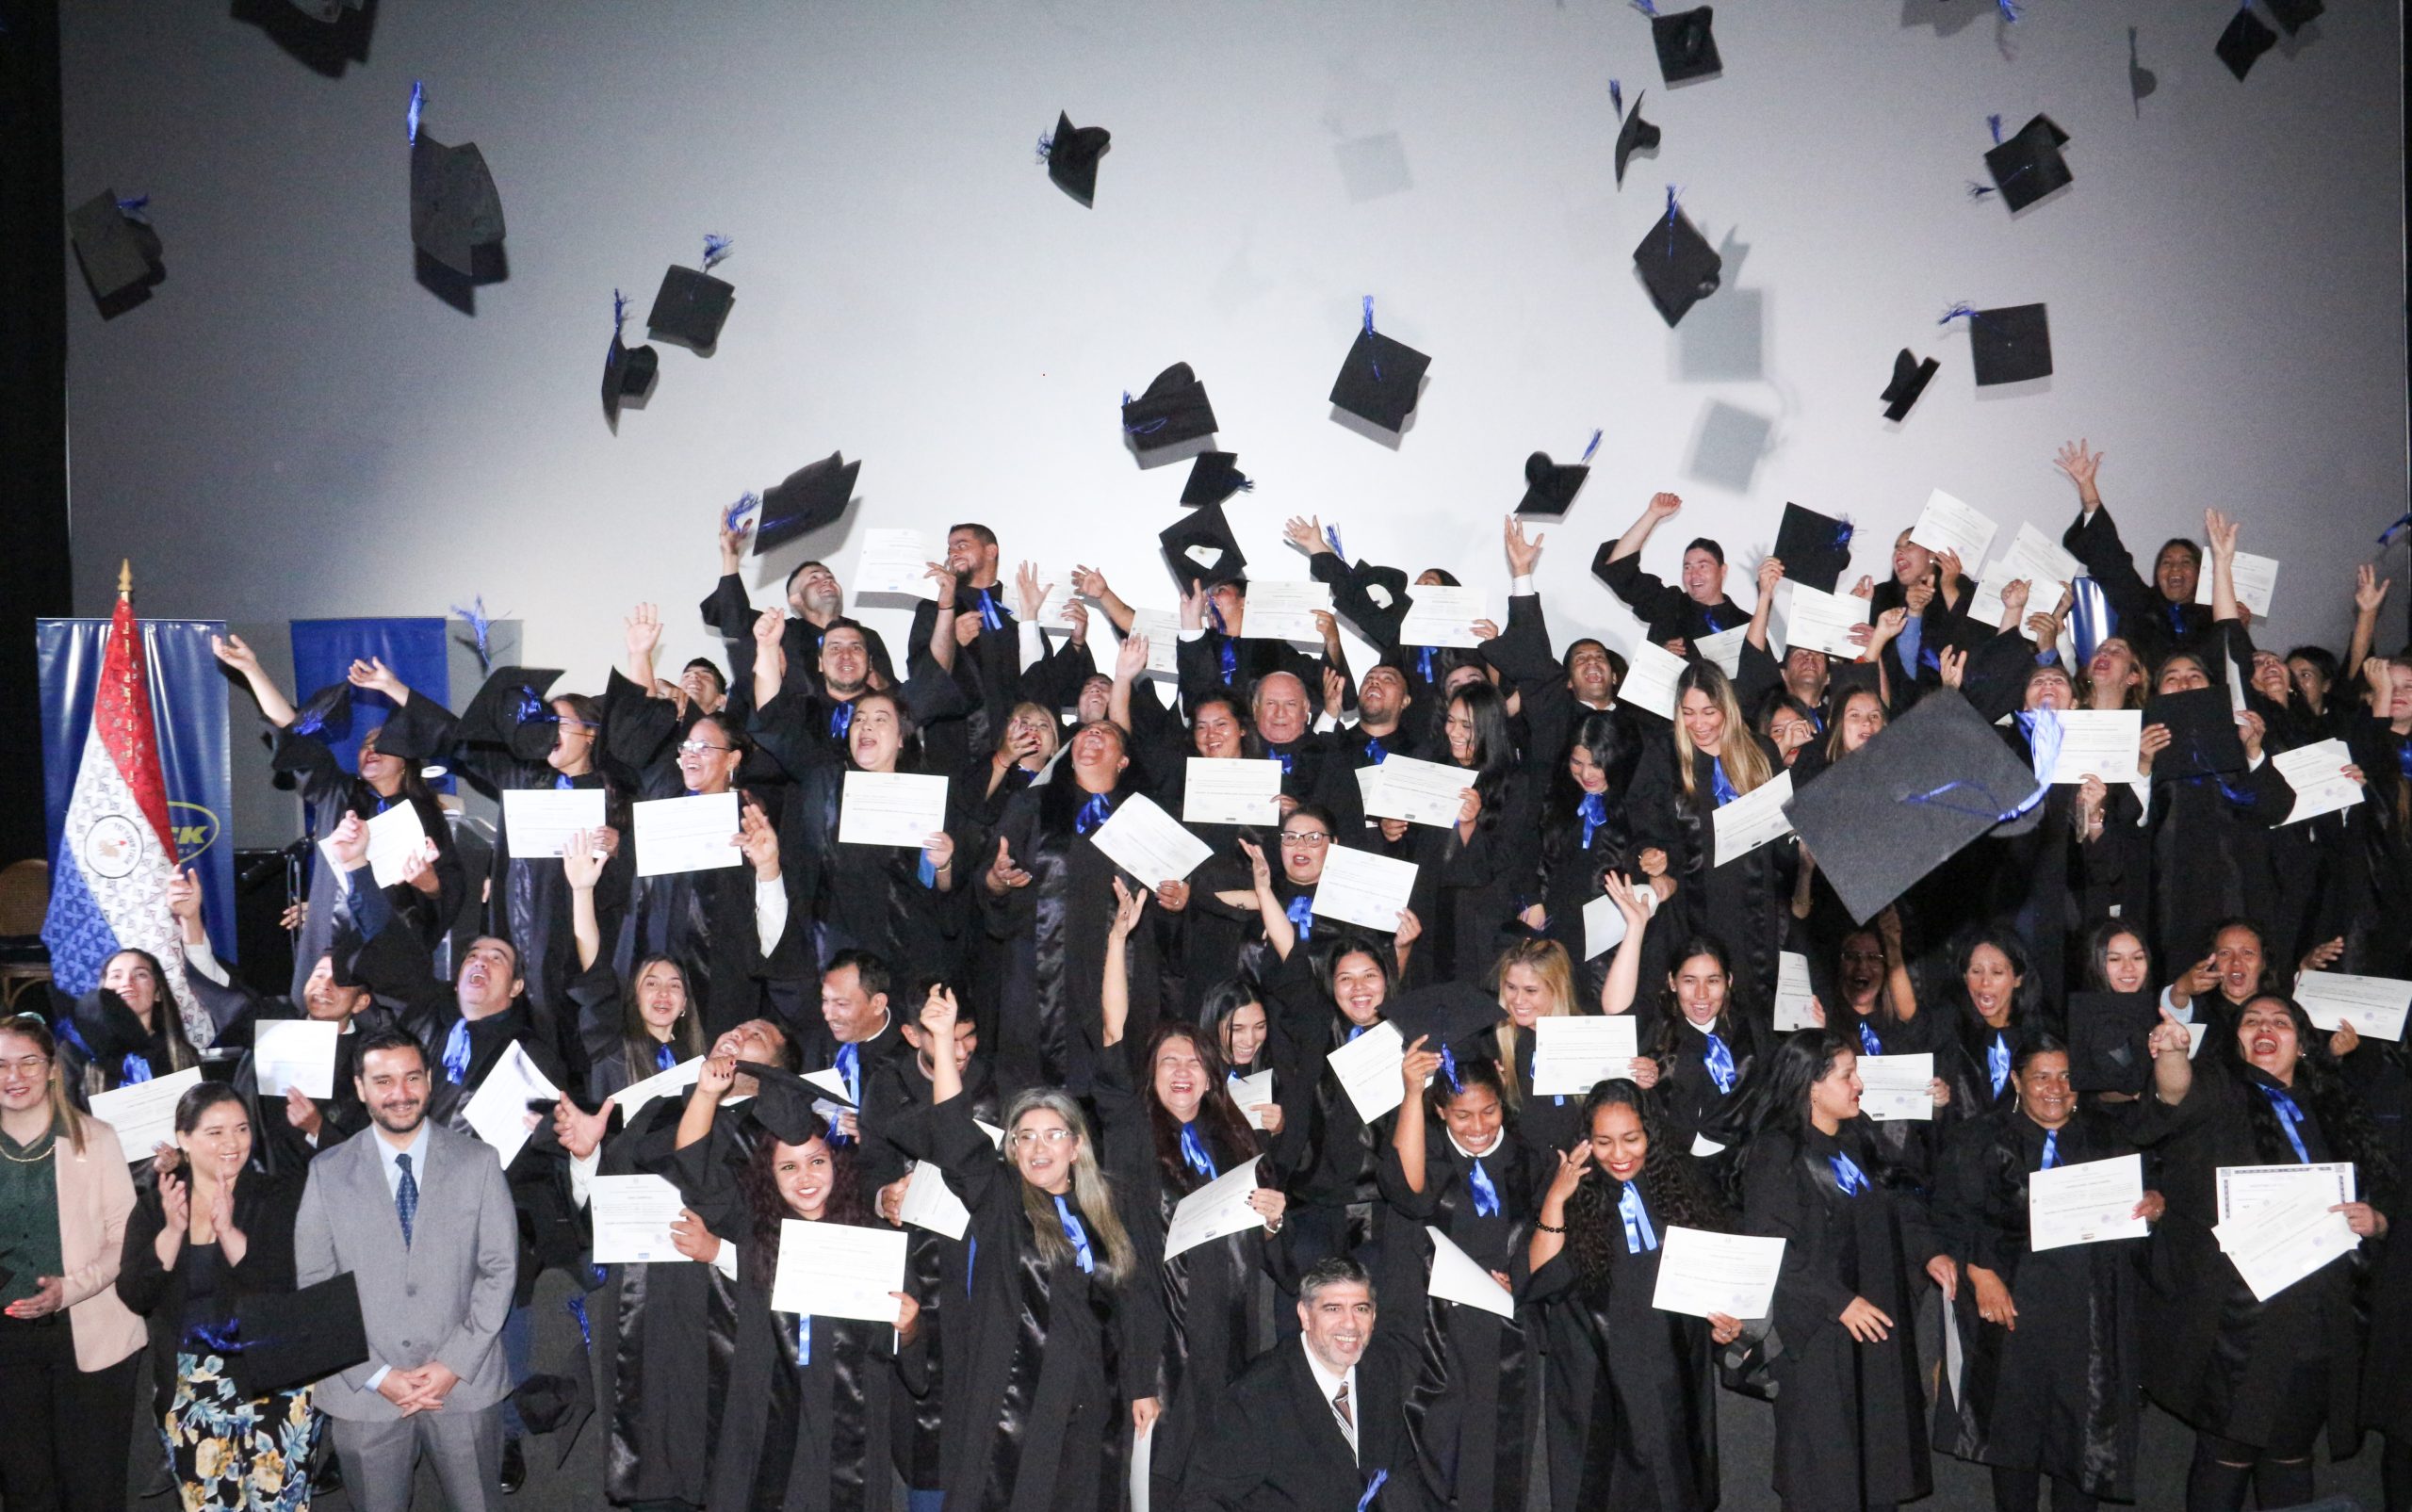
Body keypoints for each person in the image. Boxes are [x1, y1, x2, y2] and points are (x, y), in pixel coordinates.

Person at [894, 984, 1160, 1511]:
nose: (1039, 1147)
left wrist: (1139, 1386)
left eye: (1053, 1134)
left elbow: (1130, 1305)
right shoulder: (999, 1199)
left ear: (1076, 1143)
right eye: (1025, 1136)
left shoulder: (1109, 1209)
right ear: (1010, 1148)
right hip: (1016, 1401)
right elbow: (952, 1131)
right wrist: (944, 1041)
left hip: (1092, 1402)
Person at [2130, 994, 2395, 1512]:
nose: (2265, 1028)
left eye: (2281, 1022)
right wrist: (2171, 1054)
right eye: (2252, 1021)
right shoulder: (2221, 1094)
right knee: (2228, 1453)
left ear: (2301, 1044)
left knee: (2291, 1455)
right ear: (2237, 1040)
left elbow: (2383, 1186)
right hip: (2240, 1322)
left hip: (2321, 1318)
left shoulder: (2335, 1103)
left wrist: (2377, 1219)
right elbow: (2175, 1094)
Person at [294, 1032, 518, 1512]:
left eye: (412, 1077)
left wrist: (453, 1363)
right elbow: (315, 1288)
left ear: (430, 1081)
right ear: (360, 1088)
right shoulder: (327, 1172)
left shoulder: (479, 1163)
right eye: (383, 1080)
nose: (400, 1092)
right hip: (364, 1394)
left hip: (465, 1385)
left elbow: (499, 1268)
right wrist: (376, 1375)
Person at [1933, 1037, 2160, 1512]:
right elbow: (1951, 1218)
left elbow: (2139, 1214)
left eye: (2067, 1077)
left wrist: (2153, 1205)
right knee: (2014, 1441)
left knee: (2083, 1444)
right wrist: (1978, 1271)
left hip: (2088, 1318)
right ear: (2016, 1080)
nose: (2056, 1088)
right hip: (2014, 1315)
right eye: (2041, 1076)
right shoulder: (1980, 1138)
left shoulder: (2108, 1138)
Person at [1737, 1032, 1953, 1512]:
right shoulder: (1778, 1151)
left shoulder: (1856, 1138)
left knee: (1876, 1467)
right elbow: (1772, 1249)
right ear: (1811, 1086)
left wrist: (1928, 1252)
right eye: (1847, 1075)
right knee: (1826, 1474)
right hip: (1820, 1337)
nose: (1859, 1084)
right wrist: (1839, 1301)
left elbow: (1897, 1201)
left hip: (1872, 1328)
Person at [1527, 1079, 1742, 1511]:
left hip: (1671, 1365)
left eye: (1631, 1139)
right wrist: (1555, 1198)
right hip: (1599, 1373)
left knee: (1676, 1484)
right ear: (1587, 1142)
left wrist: (1726, 1323)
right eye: (1604, 1142)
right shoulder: (1570, 1195)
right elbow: (1541, 1278)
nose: (1620, 1155)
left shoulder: (1682, 1190)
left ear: (1650, 1135)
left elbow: (1715, 1284)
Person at [116, 1081, 315, 1511]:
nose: (232, 1143)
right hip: (190, 1390)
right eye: (216, 1132)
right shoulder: (157, 1206)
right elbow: (135, 1294)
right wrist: (172, 1231)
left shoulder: (275, 1195)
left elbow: (279, 1289)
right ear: (183, 1138)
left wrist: (227, 1231)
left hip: (272, 1384)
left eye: (241, 1129)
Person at [0, 1014, 145, 1512]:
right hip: (6, 1344)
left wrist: (70, 1288)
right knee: (24, 1490)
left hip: (90, 1334)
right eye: (0, 1065)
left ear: (53, 1069)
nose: (13, 1076)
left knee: (94, 1489)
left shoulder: (96, 1138)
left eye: (27, 1062)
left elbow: (125, 1239)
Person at [1178, 1255, 1432, 1511]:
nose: (1350, 1324)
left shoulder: (1383, 1371)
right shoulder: (1257, 1395)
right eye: (1333, 1309)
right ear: (1305, 1316)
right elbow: (1203, 1498)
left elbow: (1404, 1476)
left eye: (1361, 1308)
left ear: (1374, 1316)